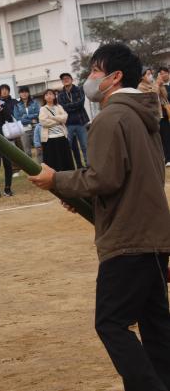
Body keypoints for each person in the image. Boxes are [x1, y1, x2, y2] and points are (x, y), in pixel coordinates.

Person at [28, 43, 170, 391]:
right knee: (155, 324)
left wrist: (57, 180)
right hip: (154, 234)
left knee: (110, 324)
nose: (89, 78)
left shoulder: (111, 117)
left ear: (114, 76)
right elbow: (128, 178)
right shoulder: (144, 115)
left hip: (127, 239)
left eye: (94, 70)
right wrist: (81, 199)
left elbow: (104, 177)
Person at [57, 72, 90, 168]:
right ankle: (74, 166)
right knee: (69, 147)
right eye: (63, 79)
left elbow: (81, 103)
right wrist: (73, 106)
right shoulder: (60, 94)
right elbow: (62, 107)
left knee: (85, 145)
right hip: (68, 124)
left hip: (81, 122)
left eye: (67, 78)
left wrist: (69, 107)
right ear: (62, 82)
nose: (65, 80)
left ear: (72, 79)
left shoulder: (79, 90)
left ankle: (88, 165)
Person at [38, 89, 75, 171]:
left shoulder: (59, 107)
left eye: (51, 94)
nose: (49, 96)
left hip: (62, 136)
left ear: (54, 96)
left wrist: (52, 117)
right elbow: (44, 122)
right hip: (50, 138)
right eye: (46, 94)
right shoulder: (43, 109)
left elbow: (65, 117)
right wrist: (58, 120)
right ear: (44, 97)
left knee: (65, 158)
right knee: (53, 160)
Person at [13, 86, 40, 159]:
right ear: (19, 94)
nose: (24, 94)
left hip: (36, 127)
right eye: (22, 92)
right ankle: (31, 168)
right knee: (27, 150)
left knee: (39, 148)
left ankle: (42, 165)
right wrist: (31, 119)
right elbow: (18, 118)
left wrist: (25, 116)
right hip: (24, 129)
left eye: (26, 92)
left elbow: (38, 114)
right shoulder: (17, 105)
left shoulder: (35, 102)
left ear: (28, 93)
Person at [157, 66, 170, 166]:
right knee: (165, 136)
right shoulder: (158, 86)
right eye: (161, 73)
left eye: (164, 72)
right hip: (164, 115)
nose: (163, 75)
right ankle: (168, 158)